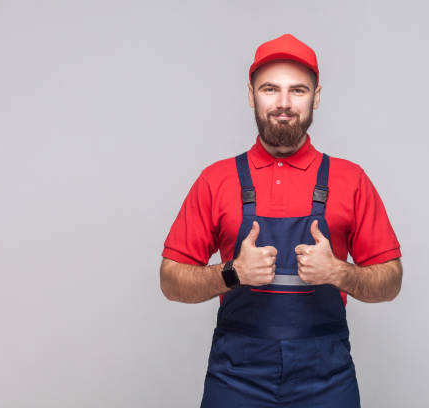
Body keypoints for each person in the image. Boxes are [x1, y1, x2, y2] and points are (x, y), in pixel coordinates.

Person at [160, 33, 403, 408]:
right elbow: (170, 280)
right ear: (251, 95)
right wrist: (232, 274)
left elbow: (391, 281)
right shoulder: (216, 179)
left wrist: (339, 272)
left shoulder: (351, 179)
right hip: (236, 376)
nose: (284, 104)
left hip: (327, 377)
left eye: (299, 90)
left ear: (317, 97)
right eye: (271, 89)